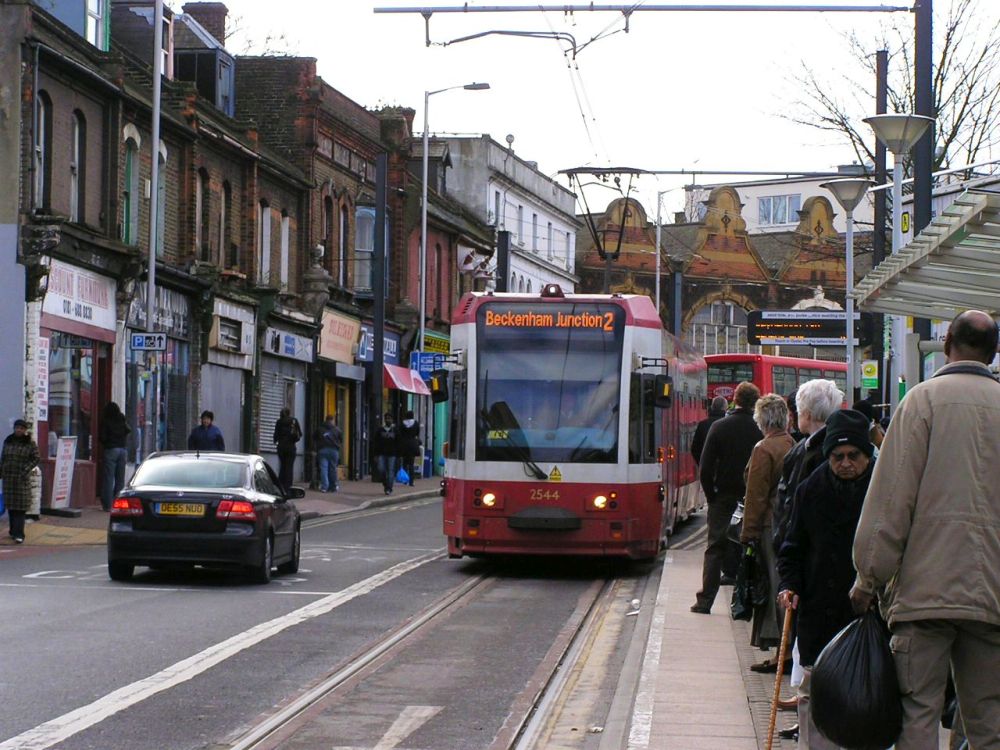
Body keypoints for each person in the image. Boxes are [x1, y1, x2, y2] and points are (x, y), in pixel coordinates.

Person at [851, 310, 1000, 749]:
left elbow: (891, 502)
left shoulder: (921, 402)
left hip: (923, 595)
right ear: (993, 352)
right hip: (991, 597)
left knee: (917, 713)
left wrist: (868, 578)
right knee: (989, 721)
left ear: (947, 341)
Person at [778, 409, 876, 750]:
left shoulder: (882, 491)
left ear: (867, 455)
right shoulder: (810, 489)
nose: (846, 463)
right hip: (818, 608)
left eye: (854, 456)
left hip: (866, 613)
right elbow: (792, 546)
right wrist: (788, 585)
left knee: (864, 694)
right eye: (838, 456)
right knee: (814, 692)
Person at [691, 381, 763, 614]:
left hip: (723, 497)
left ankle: (705, 601)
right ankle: (747, 602)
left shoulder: (719, 427)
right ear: (755, 402)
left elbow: (705, 467)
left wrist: (711, 495)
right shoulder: (760, 430)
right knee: (750, 549)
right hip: (751, 497)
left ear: (735, 400)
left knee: (715, 548)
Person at [740, 394, 795, 651]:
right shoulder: (792, 443)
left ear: (762, 420)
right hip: (788, 521)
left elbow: (756, 495)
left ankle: (780, 645)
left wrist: (748, 533)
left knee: (772, 583)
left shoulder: (763, 449)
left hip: (768, 525)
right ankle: (785, 645)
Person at [1, 419, 40, 544]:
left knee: (20, 508)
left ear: (25, 430)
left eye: (21, 428)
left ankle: (19, 534)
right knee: (11, 507)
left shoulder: (29, 443)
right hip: (8, 479)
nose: (19, 430)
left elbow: (36, 458)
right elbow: (3, 458)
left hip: (21, 480)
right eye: (17, 428)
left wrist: (25, 470)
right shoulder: (8, 440)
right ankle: (13, 531)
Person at [99, 402, 130, 511]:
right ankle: (118, 504)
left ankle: (107, 505)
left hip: (111, 449)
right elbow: (128, 430)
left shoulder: (106, 420)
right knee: (120, 479)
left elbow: (102, 437)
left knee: (109, 478)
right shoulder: (121, 418)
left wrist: (106, 443)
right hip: (122, 450)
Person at [272, 408, 302, 492]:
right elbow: (299, 434)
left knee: (283, 465)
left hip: (281, 447)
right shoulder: (294, 421)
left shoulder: (279, 422)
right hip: (291, 447)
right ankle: (288, 486)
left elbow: (275, 435)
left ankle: (281, 484)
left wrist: (277, 441)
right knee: (289, 466)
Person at [691, 396, 727, 465]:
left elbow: (694, 448)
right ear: (724, 408)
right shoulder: (728, 425)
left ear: (712, 407)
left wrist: (702, 463)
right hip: (724, 468)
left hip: (706, 465)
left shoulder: (702, 424)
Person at [372, 413, 398, 495]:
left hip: (392, 454)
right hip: (381, 453)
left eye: (389, 418)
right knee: (381, 469)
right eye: (386, 418)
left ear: (392, 420)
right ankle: (385, 483)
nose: (388, 420)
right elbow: (375, 442)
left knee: (390, 471)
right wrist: (375, 454)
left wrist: (399, 454)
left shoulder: (395, 430)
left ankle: (389, 488)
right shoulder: (380, 430)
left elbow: (399, 442)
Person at [315, 415, 342, 493]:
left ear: (325, 420)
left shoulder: (319, 429)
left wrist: (315, 448)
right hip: (334, 450)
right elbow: (341, 439)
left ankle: (324, 486)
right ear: (333, 420)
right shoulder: (337, 429)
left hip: (322, 450)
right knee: (333, 468)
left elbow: (314, 438)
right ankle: (333, 486)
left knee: (324, 468)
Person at [397, 410, 420, 486]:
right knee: (411, 464)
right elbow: (417, 433)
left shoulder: (402, 424)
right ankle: (411, 481)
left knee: (404, 463)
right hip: (412, 444)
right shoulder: (415, 423)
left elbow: (399, 433)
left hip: (404, 444)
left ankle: (404, 479)